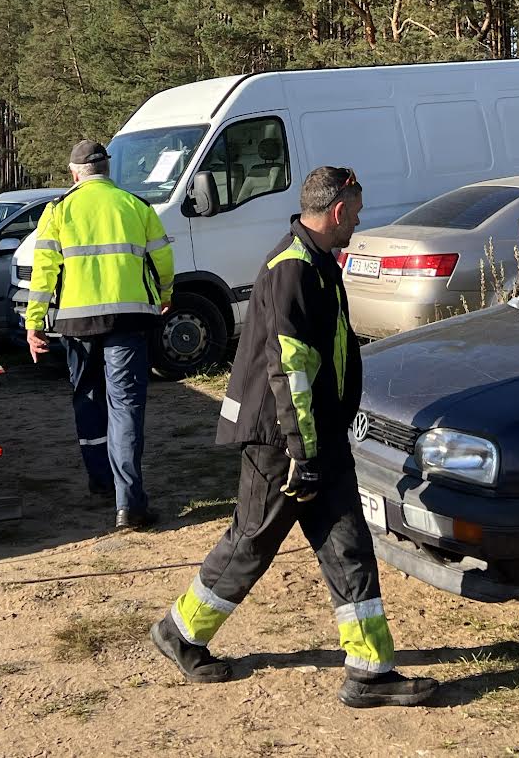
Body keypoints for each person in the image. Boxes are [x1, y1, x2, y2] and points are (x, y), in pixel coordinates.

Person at [151, 165, 439, 709]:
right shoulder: (294, 269)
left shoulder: (315, 261)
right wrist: (303, 454)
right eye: (354, 213)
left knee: (348, 546)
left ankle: (369, 672)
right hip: (282, 442)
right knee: (252, 542)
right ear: (336, 211)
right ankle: (181, 632)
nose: (357, 222)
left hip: (313, 439)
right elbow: (291, 372)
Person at [26, 138, 174, 531]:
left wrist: (33, 322)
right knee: (125, 407)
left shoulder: (58, 210)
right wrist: (164, 295)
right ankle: (129, 504)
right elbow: (162, 257)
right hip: (128, 320)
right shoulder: (136, 206)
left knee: (88, 399)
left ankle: (100, 481)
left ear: (74, 173)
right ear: (108, 170)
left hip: (76, 324)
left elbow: (44, 271)